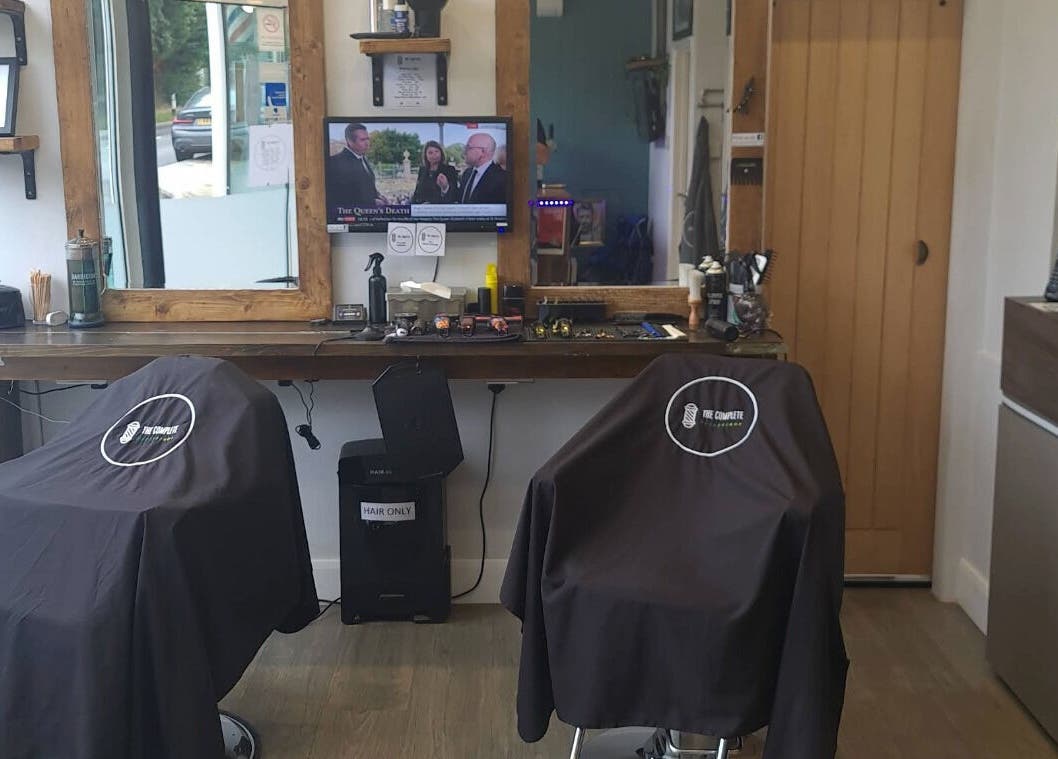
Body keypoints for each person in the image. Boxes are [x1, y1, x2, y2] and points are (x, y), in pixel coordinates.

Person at [326, 123, 387, 209]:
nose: (367, 143)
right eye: (362, 140)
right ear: (349, 141)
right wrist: (372, 202)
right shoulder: (335, 162)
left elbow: (367, 186)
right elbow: (341, 196)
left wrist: (379, 196)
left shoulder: (363, 158)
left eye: (368, 139)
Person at [456, 133, 508, 205]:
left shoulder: (503, 178)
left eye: (468, 147)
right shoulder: (467, 173)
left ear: (483, 152)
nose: (464, 151)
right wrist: (445, 187)